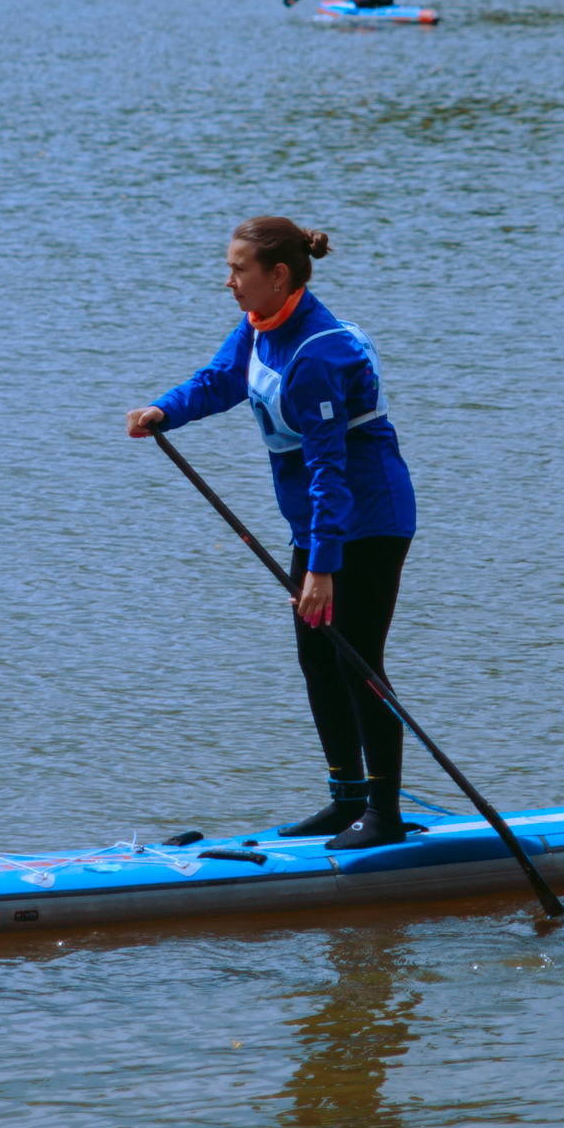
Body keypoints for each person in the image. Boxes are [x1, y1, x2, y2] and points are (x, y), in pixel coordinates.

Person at [127, 218, 419, 849]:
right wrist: (165, 410)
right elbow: (221, 379)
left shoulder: (316, 355)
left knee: (358, 660)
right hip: (321, 523)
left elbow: (330, 470)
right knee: (317, 656)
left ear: (278, 275)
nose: (228, 281)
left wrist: (321, 567)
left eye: (239, 269)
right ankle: (347, 799)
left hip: (367, 520)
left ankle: (385, 816)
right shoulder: (261, 326)